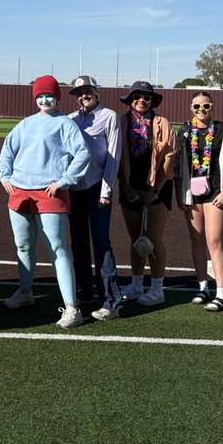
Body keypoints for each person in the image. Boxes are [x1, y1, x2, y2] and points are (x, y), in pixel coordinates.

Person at [0, 75, 90, 329]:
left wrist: (64, 180)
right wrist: (6, 176)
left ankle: (72, 308)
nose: (45, 100)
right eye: (40, 96)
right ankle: (25, 293)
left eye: (49, 95)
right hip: (20, 192)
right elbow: (7, 151)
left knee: (57, 249)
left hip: (50, 193)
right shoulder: (26, 124)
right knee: (23, 247)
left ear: (57, 97)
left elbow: (83, 153)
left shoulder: (65, 124)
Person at [174, 92, 223, 312]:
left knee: (214, 240)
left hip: (216, 192)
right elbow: (177, 166)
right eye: (196, 106)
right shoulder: (184, 131)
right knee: (197, 240)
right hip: (191, 193)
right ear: (190, 107)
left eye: (206, 105)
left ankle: (222, 293)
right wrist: (179, 195)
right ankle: (203, 287)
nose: (201, 109)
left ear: (212, 107)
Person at [66, 75, 123, 321]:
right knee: (78, 243)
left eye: (87, 91)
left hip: (97, 187)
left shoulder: (109, 117)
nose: (83, 96)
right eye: (79, 92)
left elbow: (113, 156)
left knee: (101, 243)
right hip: (74, 188)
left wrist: (106, 191)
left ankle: (111, 301)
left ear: (97, 93)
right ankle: (84, 291)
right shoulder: (71, 119)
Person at [117, 81, 176, 307]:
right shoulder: (121, 122)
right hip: (129, 187)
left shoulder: (161, 123)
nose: (141, 100)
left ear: (153, 101)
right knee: (135, 240)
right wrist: (127, 186)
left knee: (153, 239)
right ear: (130, 99)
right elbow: (115, 159)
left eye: (146, 97)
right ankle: (136, 284)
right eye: (137, 96)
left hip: (157, 187)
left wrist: (155, 189)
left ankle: (157, 288)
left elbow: (169, 157)